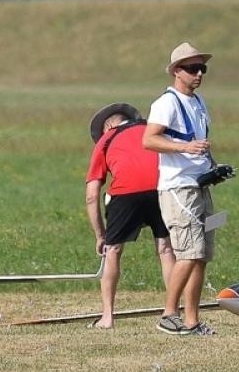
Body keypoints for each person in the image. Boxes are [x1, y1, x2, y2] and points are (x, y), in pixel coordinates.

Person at [144, 42, 221, 336]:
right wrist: (186, 147)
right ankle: (168, 314)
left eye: (202, 68)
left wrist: (214, 168)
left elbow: (199, 144)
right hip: (178, 188)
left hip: (199, 185)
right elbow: (149, 140)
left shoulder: (199, 103)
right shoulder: (166, 103)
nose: (199, 73)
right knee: (189, 251)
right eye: (192, 68)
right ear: (176, 71)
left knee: (201, 255)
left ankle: (192, 320)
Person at [84, 101, 174, 328]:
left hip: (125, 194)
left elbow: (92, 195)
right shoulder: (151, 130)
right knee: (165, 248)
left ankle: (107, 317)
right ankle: (172, 311)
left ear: (108, 126)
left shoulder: (106, 140)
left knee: (113, 251)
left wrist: (100, 236)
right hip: (161, 188)